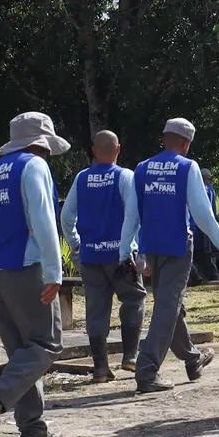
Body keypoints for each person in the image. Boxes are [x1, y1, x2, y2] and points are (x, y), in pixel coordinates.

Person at [0, 111, 70, 437]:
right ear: (40, 143)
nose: (50, 155)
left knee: (22, 354)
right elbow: (43, 218)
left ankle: (33, 429)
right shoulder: (34, 167)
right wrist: (55, 273)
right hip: (26, 269)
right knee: (46, 344)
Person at [130, 117, 219, 394]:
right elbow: (202, 213)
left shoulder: (141, 169)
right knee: (167, 307)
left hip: (151, 246)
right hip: (177, 245)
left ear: (164, 138)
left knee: (169, 305)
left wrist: (130, 250)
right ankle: (147, 370)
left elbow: (133, 214)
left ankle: (191, 358)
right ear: (186, 143)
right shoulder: (188, 167)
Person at [60, 130, 146, 383]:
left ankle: (100, 369)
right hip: (120, 257)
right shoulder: (125, 177)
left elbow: (66, 217)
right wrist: (131, 249)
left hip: (91, 257)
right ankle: (130, 357)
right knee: (133, 300)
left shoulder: (81, 178)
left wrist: (76, 245)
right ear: (118, 149)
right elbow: (134, 215)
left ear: (94, 151)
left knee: (96, 311)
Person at [190, 168, 219, 284]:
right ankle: (211, 273)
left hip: (200, 224)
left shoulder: (203, 189)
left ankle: (206, 274)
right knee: (206, 250)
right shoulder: (211, 190)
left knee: (202, 251)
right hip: (207, 223)